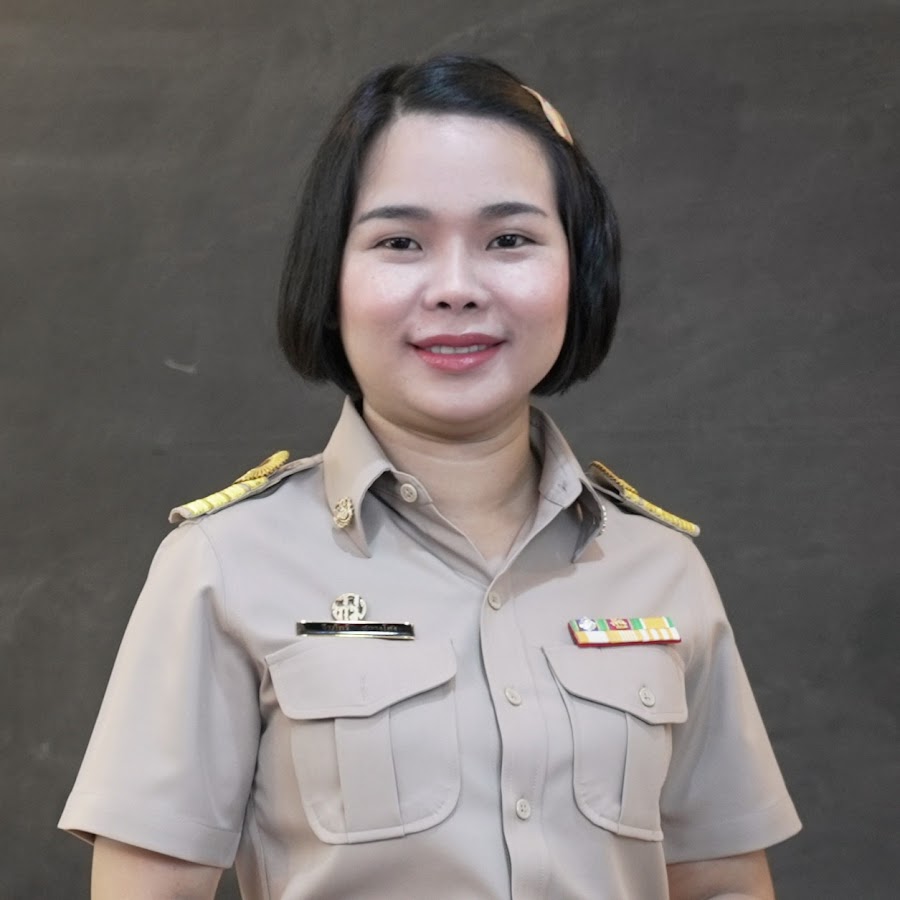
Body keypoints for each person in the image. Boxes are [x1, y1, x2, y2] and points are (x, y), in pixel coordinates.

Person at [59, 55, 801, 899]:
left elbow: (722, 881)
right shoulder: (224, 563)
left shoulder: (660, 569)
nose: (456, 288)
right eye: (400, 242)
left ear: (578, 269)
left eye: (510, 240)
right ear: (330, 276)